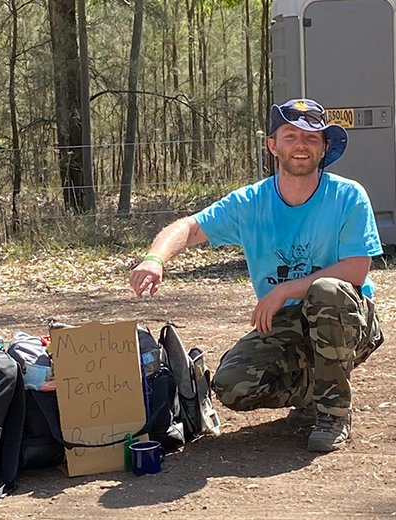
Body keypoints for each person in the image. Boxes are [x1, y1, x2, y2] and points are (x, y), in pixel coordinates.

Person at [129, 98, 384, 452]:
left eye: (311, 138)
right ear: (273, 145)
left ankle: (334, 413)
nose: (300, 145)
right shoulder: (250, 202)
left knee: (327, 290)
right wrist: (155, 258)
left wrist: (282, 291)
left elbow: (356, 271)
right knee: (231, 385)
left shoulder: (347, 196)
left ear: (324, 147)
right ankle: (317, 390)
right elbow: (189, 227)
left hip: (348, 318)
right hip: (286, 322)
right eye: (290, 135)